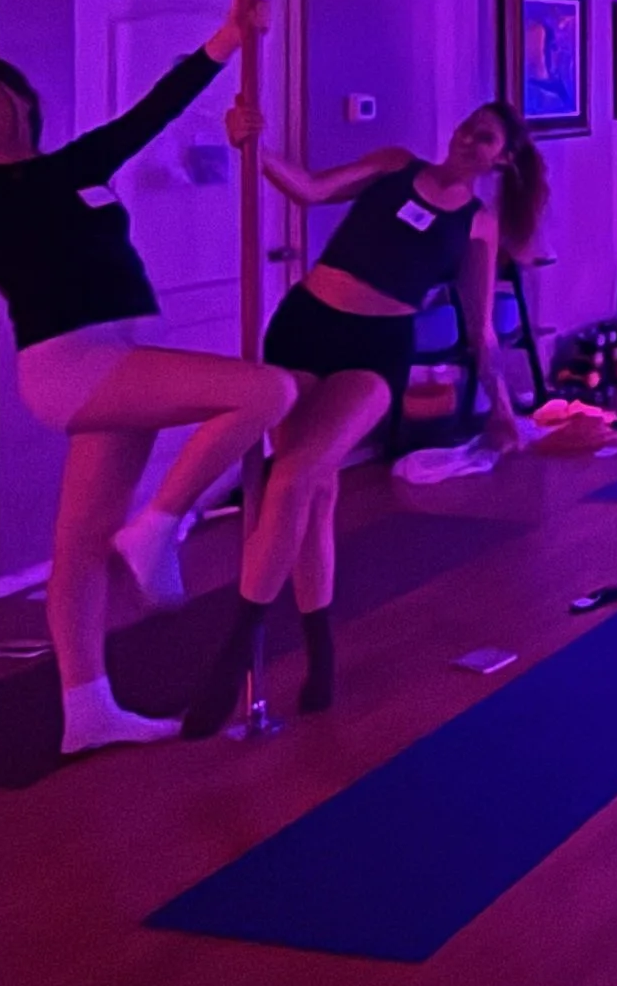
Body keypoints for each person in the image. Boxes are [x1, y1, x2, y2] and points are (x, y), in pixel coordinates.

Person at [0, 0, 293, 755]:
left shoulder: (75, 166)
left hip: (125, 353)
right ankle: (162, 524)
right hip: (73, 365)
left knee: (77, 547)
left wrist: (231, 38)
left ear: (21, 101)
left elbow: (156, 109)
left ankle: (87, 711)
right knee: (267, 389)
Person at [180, 100, 547, 728]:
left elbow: (479, 327)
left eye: (483, 136)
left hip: (376, 350)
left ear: (502, 158)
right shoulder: (394, 166)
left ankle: (239, 645)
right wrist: (254, 148)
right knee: (314, 492)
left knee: (293, 475)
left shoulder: (478, 225)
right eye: (466, 126)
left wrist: (503, 408)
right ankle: (320, 648)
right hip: (304, 327)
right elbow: (309, 188)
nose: (466, 138)